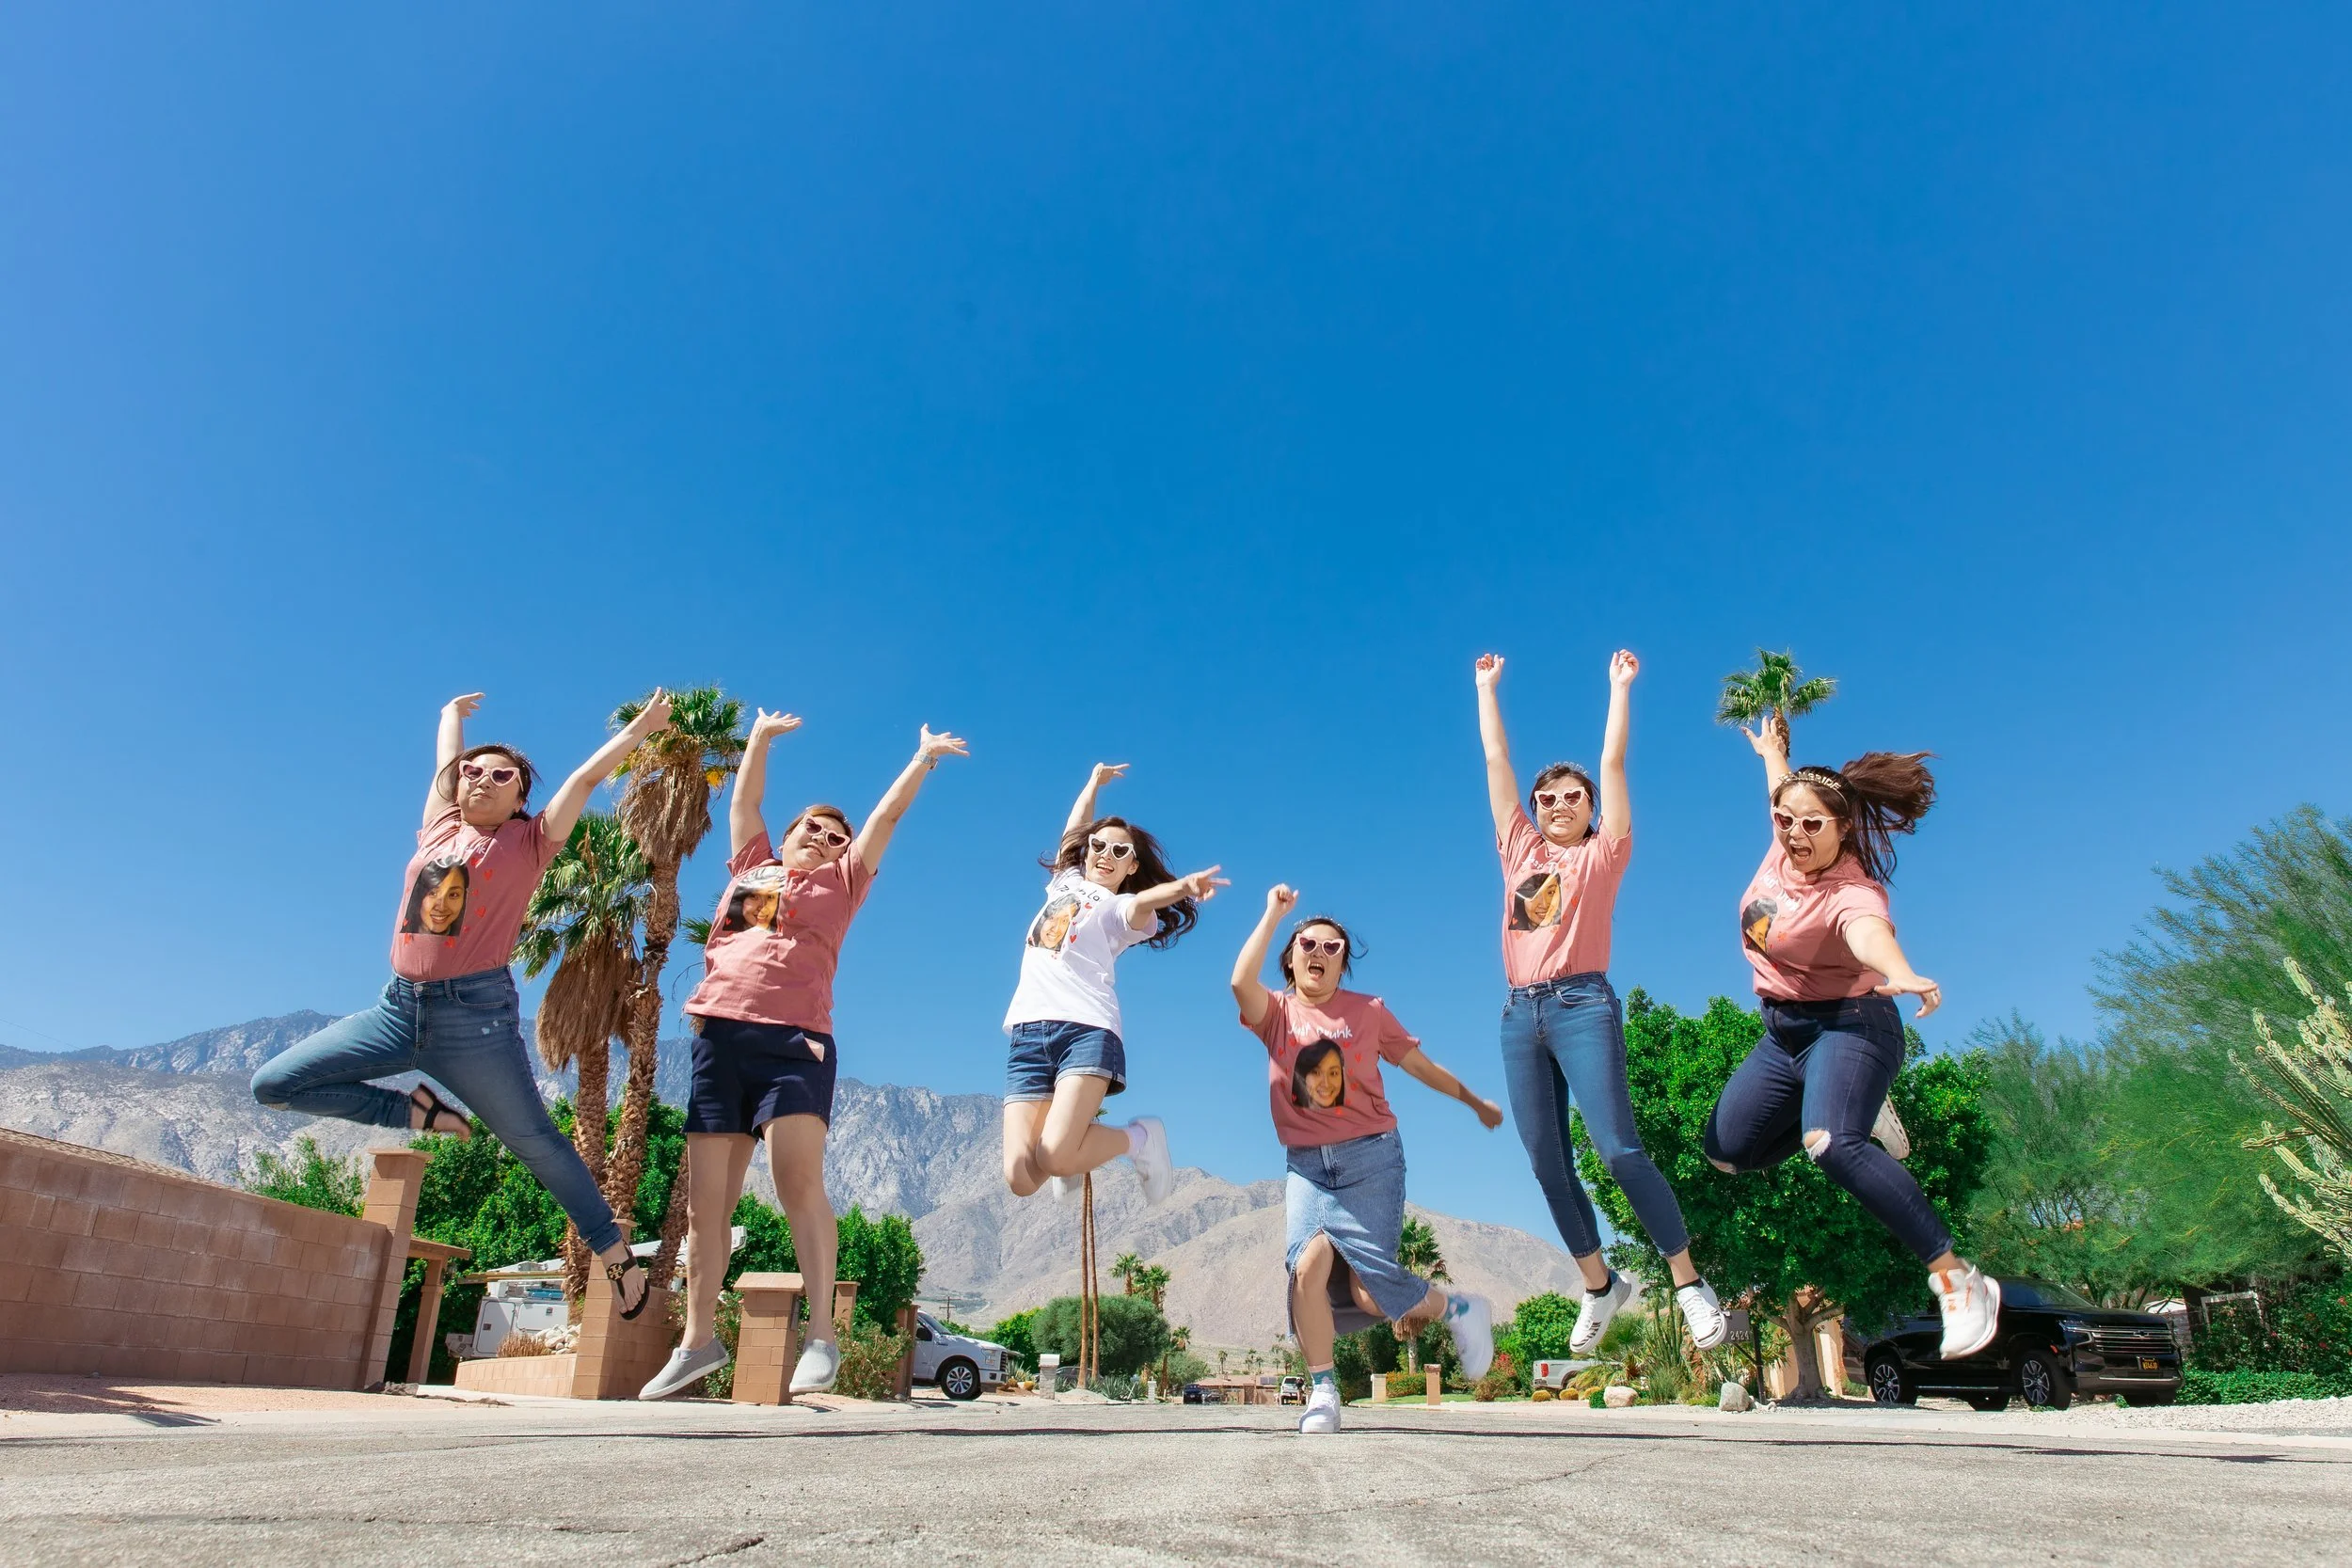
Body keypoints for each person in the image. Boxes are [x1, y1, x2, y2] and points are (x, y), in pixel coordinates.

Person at [253, 690, 673, 1319]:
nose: (479, 778)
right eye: (472, 772)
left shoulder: (531, 843)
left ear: (521, 793)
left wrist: (640, 730)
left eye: (500, 773)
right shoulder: (442, 825)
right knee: (274, 1084)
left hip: (473, 1022)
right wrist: (450, 715)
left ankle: (612, 1251)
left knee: (533, 1139)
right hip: (396, 1011)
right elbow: (448, 758)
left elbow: (586, 777)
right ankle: (418, 1113)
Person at [638, 711, 967, 1401]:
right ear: (784, 838)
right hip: (718, 1042)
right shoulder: (751, 867)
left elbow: (884, 820)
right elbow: (745, 801)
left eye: (833, 836)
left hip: (795, 1045)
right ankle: (698, 1339)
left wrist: (922, 758)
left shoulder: (843, 883)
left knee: (797, 1183)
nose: (820, 838)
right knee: (706, 1210)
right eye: (809, 829)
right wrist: (757, 739)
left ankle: (822, 1333)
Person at [1705, 716, 2000, 1358]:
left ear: (1842, 827)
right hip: (1784, 1033)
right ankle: (1857, 1104)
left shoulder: (1851, 893)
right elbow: (1786, 790)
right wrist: (1772, 756)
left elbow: (1871, 934)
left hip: (1853, 1023)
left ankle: (1958, 1278)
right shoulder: (1784, 843)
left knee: (1829, 1143)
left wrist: (1901, 971)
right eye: (1786, 820)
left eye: (1813, 824)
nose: (1795, 833)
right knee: (1728, 1150)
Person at [1474, 651, 1725, 1354]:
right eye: (1547, 797)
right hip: (1519, 1014)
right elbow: (1496, 758)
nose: (1557, 805)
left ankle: (1687, 1282)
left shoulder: (1603, 854)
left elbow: (1612, 762)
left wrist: (1619, 689)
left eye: (1571, 798)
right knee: (1545, 1162)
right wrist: (1486, 688)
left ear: (1591, 811)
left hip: (1583, 1004)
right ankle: (1598, 1283)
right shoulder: (1518, 848)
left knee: (1616, 1149)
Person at [1232, 886, 1504, 1435]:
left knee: (1367, 1292)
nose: (1319, 953)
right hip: (1306, 1165)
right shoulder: (1278, 1014)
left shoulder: (1369, 1013)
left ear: (1342, 965)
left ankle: (1459, 1311)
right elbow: (1240, 983)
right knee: (1304, 1266)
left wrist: (1472, 1100)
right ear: (1291, 956)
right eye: (1308, 944)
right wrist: (1273, 915)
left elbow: (1419, 1065)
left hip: (1371, 1160)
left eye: (1334, 948)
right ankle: (1324, 1392)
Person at [1000, 763, 1220, 1208]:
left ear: (1131, 864)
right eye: (1099, 846)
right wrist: (1093, 783)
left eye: (1120, 852)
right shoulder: (1065, 881)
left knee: (1056, 1154)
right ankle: (1074, 1153)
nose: (1105, 854)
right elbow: (1074, 830)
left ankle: (1139, 1139)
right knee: (1021, 1178)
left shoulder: (1120, 909)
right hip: (1027, 1032)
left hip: (1085, 1030)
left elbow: (1143, 900)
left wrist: (1183, 886)